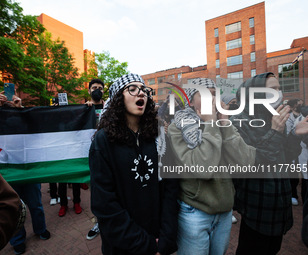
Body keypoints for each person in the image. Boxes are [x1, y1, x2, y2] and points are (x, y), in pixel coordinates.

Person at [90, 73, 178, 254]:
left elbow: (171, 187)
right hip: (124, 245)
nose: (141, 94)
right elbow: (104, 204)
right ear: (117, 99)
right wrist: (146, 245)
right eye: (132, 89)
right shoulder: (103, 141)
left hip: (158, 238)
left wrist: (166, 238)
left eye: (144, 90)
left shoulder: (158, 136)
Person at [167, 78, 256, 255]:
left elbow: (246, 162)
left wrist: (224, 123)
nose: (213, 98)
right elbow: (203, 168)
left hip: (224, 211)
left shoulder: (224, 123)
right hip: (194, 212)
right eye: (206, 93)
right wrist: (211, 123)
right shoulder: (178, 127)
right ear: (191, 102)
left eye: (215, 93)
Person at [230, 73, 308, 255]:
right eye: (272, 89)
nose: (278, 93)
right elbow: (249, 165)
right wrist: (275, 131)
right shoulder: (240, 121)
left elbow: (286, 157)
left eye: (279, 89)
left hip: (279, 204)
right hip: (257, 207)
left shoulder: (274, 117)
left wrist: (295, 136)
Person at [0, 92, 50, 255]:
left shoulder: (24, 122)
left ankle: (40, 229)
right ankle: (18, 240)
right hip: (10, 173)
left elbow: (35, 131)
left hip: (29, 170)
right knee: (14, 208)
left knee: (36, 204)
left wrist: (21, 109)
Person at [85, 78, 105, 240]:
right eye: (94, 88)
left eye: (100, 88)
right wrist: (83, 110)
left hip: (109, 156)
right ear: (89, 91)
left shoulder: (111, 107)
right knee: (96, 193)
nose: (97, 90)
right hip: (93, 159)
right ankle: (99, 222)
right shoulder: (84, 109)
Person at [286, 98, 303, 206]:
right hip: (289, 149)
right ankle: (291, 194)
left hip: (300, 149)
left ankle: (295, 194)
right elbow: (286, 135)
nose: (300, 106)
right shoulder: (288, 117)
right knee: (290, 173)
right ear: (292, 107)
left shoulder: (303, 117)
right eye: (298, 105)